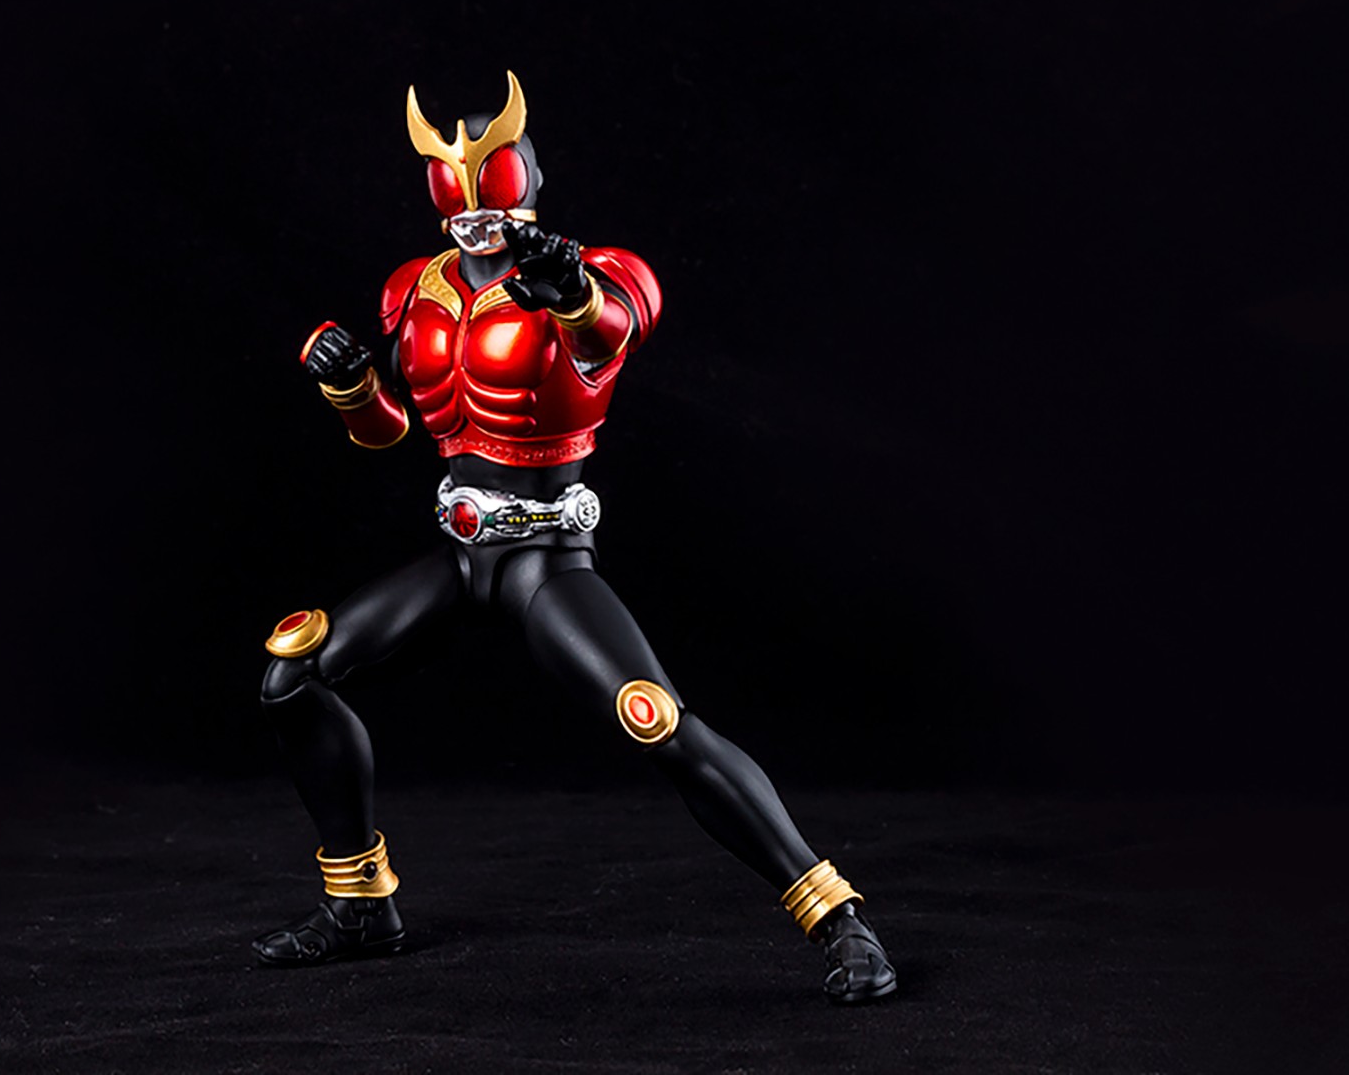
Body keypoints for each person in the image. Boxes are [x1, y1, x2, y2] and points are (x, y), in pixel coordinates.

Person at [252, 72, 897, 1004]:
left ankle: (837, 917)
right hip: (461, 551)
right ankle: (359, 906)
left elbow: (608, 336)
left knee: (655, 720)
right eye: (456, 198)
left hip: (545, 559)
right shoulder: (413, 290)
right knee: (293, 676)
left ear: (528, 178)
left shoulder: (596, 269)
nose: (475, 216)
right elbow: (390, 431)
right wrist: (350, 384)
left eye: (491, 192)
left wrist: (572, 294)